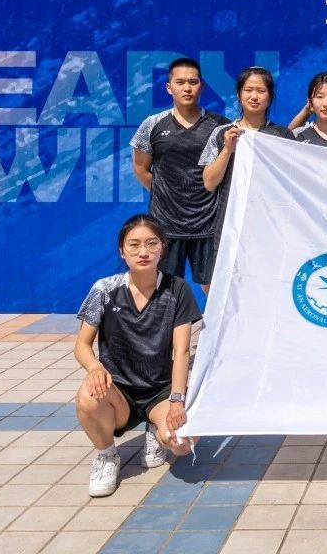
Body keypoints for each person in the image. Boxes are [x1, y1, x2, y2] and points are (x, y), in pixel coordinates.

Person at [74, 215, 200, 497]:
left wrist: (177, 400)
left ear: (162, 248)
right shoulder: (104, 289)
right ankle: (107, 455)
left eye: (151, 244)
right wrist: (95, 367)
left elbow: (181, 351)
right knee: (87, 396)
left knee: (183, 441)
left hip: (160, 392)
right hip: (118, 392)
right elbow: (82, 345)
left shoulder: (178, 289)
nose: (143, 252)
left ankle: (157, 428)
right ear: (122, 251)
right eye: (134, 245)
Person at [130, 58, 228, 289]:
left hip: (209, 224)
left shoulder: (220, 126)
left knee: (214, 288)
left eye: (193, 82)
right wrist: (167, 194)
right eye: (180, 82)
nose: (187, 88)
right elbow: (141, 169)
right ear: (169, 87)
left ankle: (213, 317)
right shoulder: (152, 124)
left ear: (201, 86)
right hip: (166, 225)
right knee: (163, 289)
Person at [200, 66, 295, 271]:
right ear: (238, 94)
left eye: (261, 91)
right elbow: (209, 183)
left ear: (270, 96)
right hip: (230, 225)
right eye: (248, 90)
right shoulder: (222, 133)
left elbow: (291, 184)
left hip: (270, 226)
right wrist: (227, 149)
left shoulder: (282, 136)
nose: (254, 96)